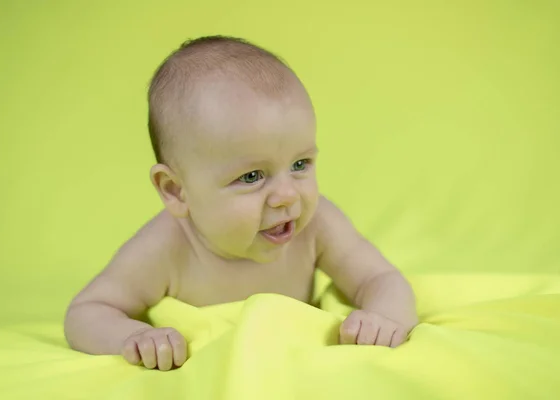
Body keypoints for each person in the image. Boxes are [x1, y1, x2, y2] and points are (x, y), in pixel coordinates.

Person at [64, 35, 418, 371]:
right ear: (175, 190)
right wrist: (135, 338)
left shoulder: (317, 224)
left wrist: (383, 319)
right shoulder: (167, 247)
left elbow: (380, 278)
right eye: (252, 176)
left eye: (300, 165)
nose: (287, 196)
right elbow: (87, 312)